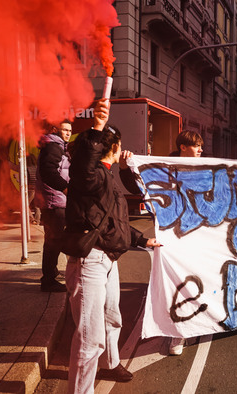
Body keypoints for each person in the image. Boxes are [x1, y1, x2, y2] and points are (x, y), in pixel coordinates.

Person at [64, 99, 161, 392]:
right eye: (119, 144)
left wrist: (142, 239)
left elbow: (114, 223)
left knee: (111, 317)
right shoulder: (89, 177)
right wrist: (96, 128)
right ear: (114, 146)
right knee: (89, 336)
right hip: (90, 261)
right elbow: (82, 169)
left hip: (108, 259)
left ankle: (111, 363)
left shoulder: (106, 177)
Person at [166, 129, 204, 356]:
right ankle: (177, 333)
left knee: (197, 279)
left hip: (198, 236)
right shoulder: (164, 167)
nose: (201, 150)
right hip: (174, 237)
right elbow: (139, 186)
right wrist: (125, 168)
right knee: (176, 283)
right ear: (182, 147)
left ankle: (197, 322)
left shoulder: (207, 166)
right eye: (196, 146)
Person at [35, 119, 72, 292]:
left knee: (53, 240)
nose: (68, 133)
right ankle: (48, 280)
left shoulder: (57, 146)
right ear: (56, 130)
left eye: (70, 130)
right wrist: (65, 188)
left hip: (55, 200)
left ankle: (51, 274)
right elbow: (48, 172)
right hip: (54, 201)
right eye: (65, 130)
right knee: (53, 241)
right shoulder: (53, 147)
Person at [26, 153, 41, 225]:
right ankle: (37, 220)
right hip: (38, 188)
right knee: (37, 206)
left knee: (25, 205)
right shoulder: (38, 168)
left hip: (30, 189)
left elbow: (26, 180)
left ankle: (32, 219)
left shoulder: (27, 169)